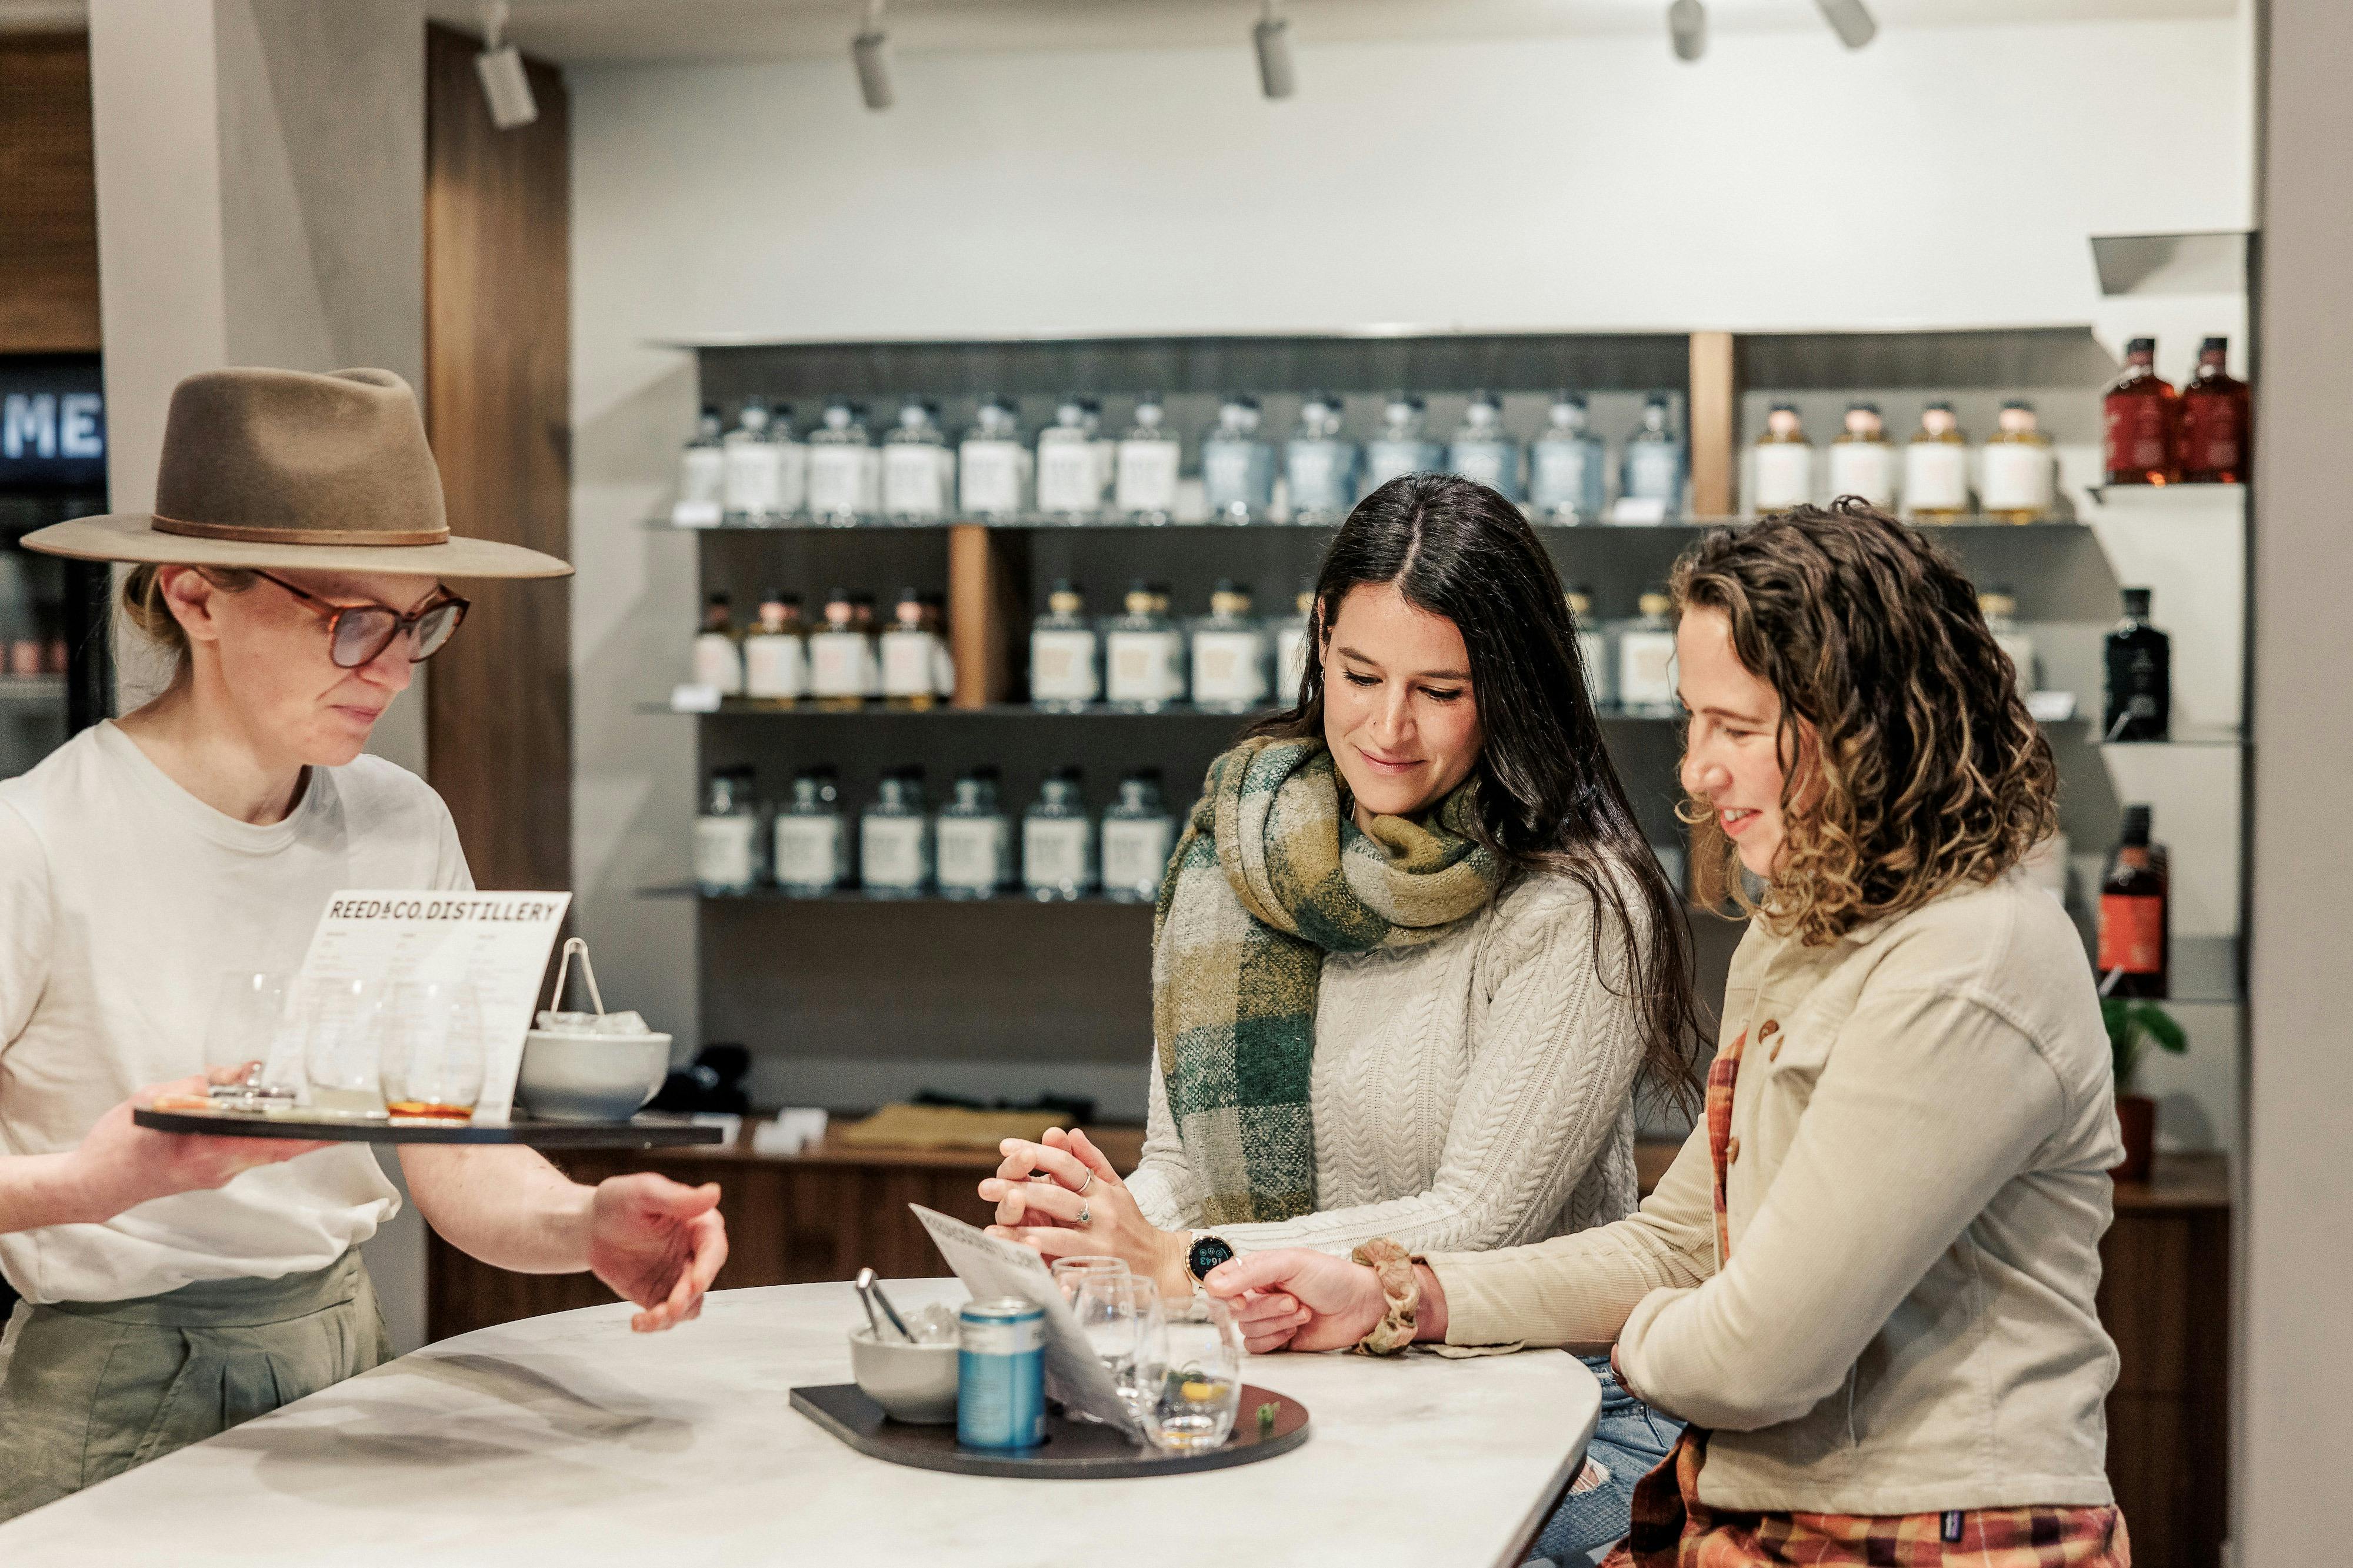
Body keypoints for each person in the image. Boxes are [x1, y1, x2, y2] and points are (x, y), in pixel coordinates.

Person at [1205, 501, 2129, 1568]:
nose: (1696, 770)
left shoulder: (1969, 962)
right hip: (1766, 1513)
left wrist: (1626, 1349)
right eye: (1693, 721)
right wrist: (1396, 1294)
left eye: (1736, 728)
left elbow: (1756, 1360)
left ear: (1873, 723)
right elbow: (1677, 1244)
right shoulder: (1804, 928)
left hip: (1943, 1536)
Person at [0, 368, 729, 1522]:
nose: (391, 667)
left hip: (348, 1355)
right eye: (352, 621)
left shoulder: (400, 821)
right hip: (104, 1391)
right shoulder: (35, 840)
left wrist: (578, 1223)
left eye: (420, 619)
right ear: (196, 597)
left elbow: (453, 1155)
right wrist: (95, 1181)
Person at [982, 473, 1704, 1553]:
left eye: (1444, 690)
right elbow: (1183, 1161)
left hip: (1527, 1409)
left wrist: (1176, 1259)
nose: (1389, 727)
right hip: (1257, 1376)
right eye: (1361, 673)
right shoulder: (1240, 851)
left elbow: (1477, 1223)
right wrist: (1093, 1235)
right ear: (1320, 638)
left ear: (1512, 687)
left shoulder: (1577, 902)